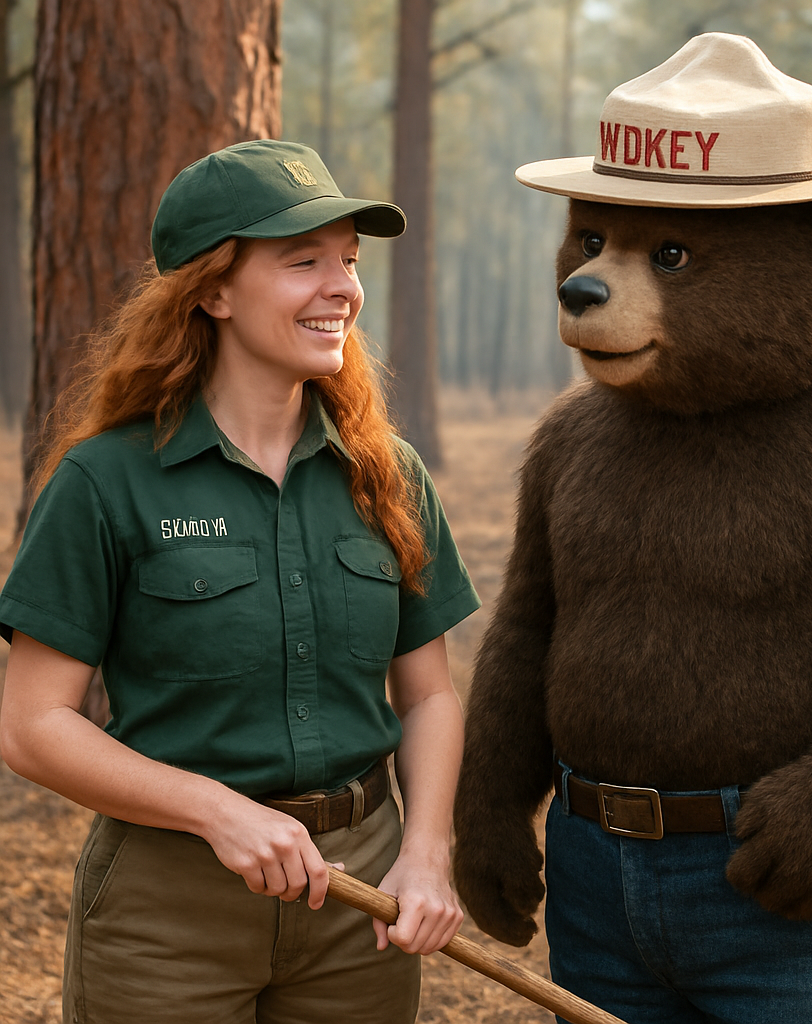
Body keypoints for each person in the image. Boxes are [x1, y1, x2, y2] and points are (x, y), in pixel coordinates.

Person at [0, 139, 480, 1024]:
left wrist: (425, 850)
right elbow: (32, 728)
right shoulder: (107, 482)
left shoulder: (390, 474)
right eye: (304, 262)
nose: (342, 287)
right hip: (168, 907)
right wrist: (217, 811)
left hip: (357, 902)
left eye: (348, 260)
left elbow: (428, 698)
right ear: (213, 290)